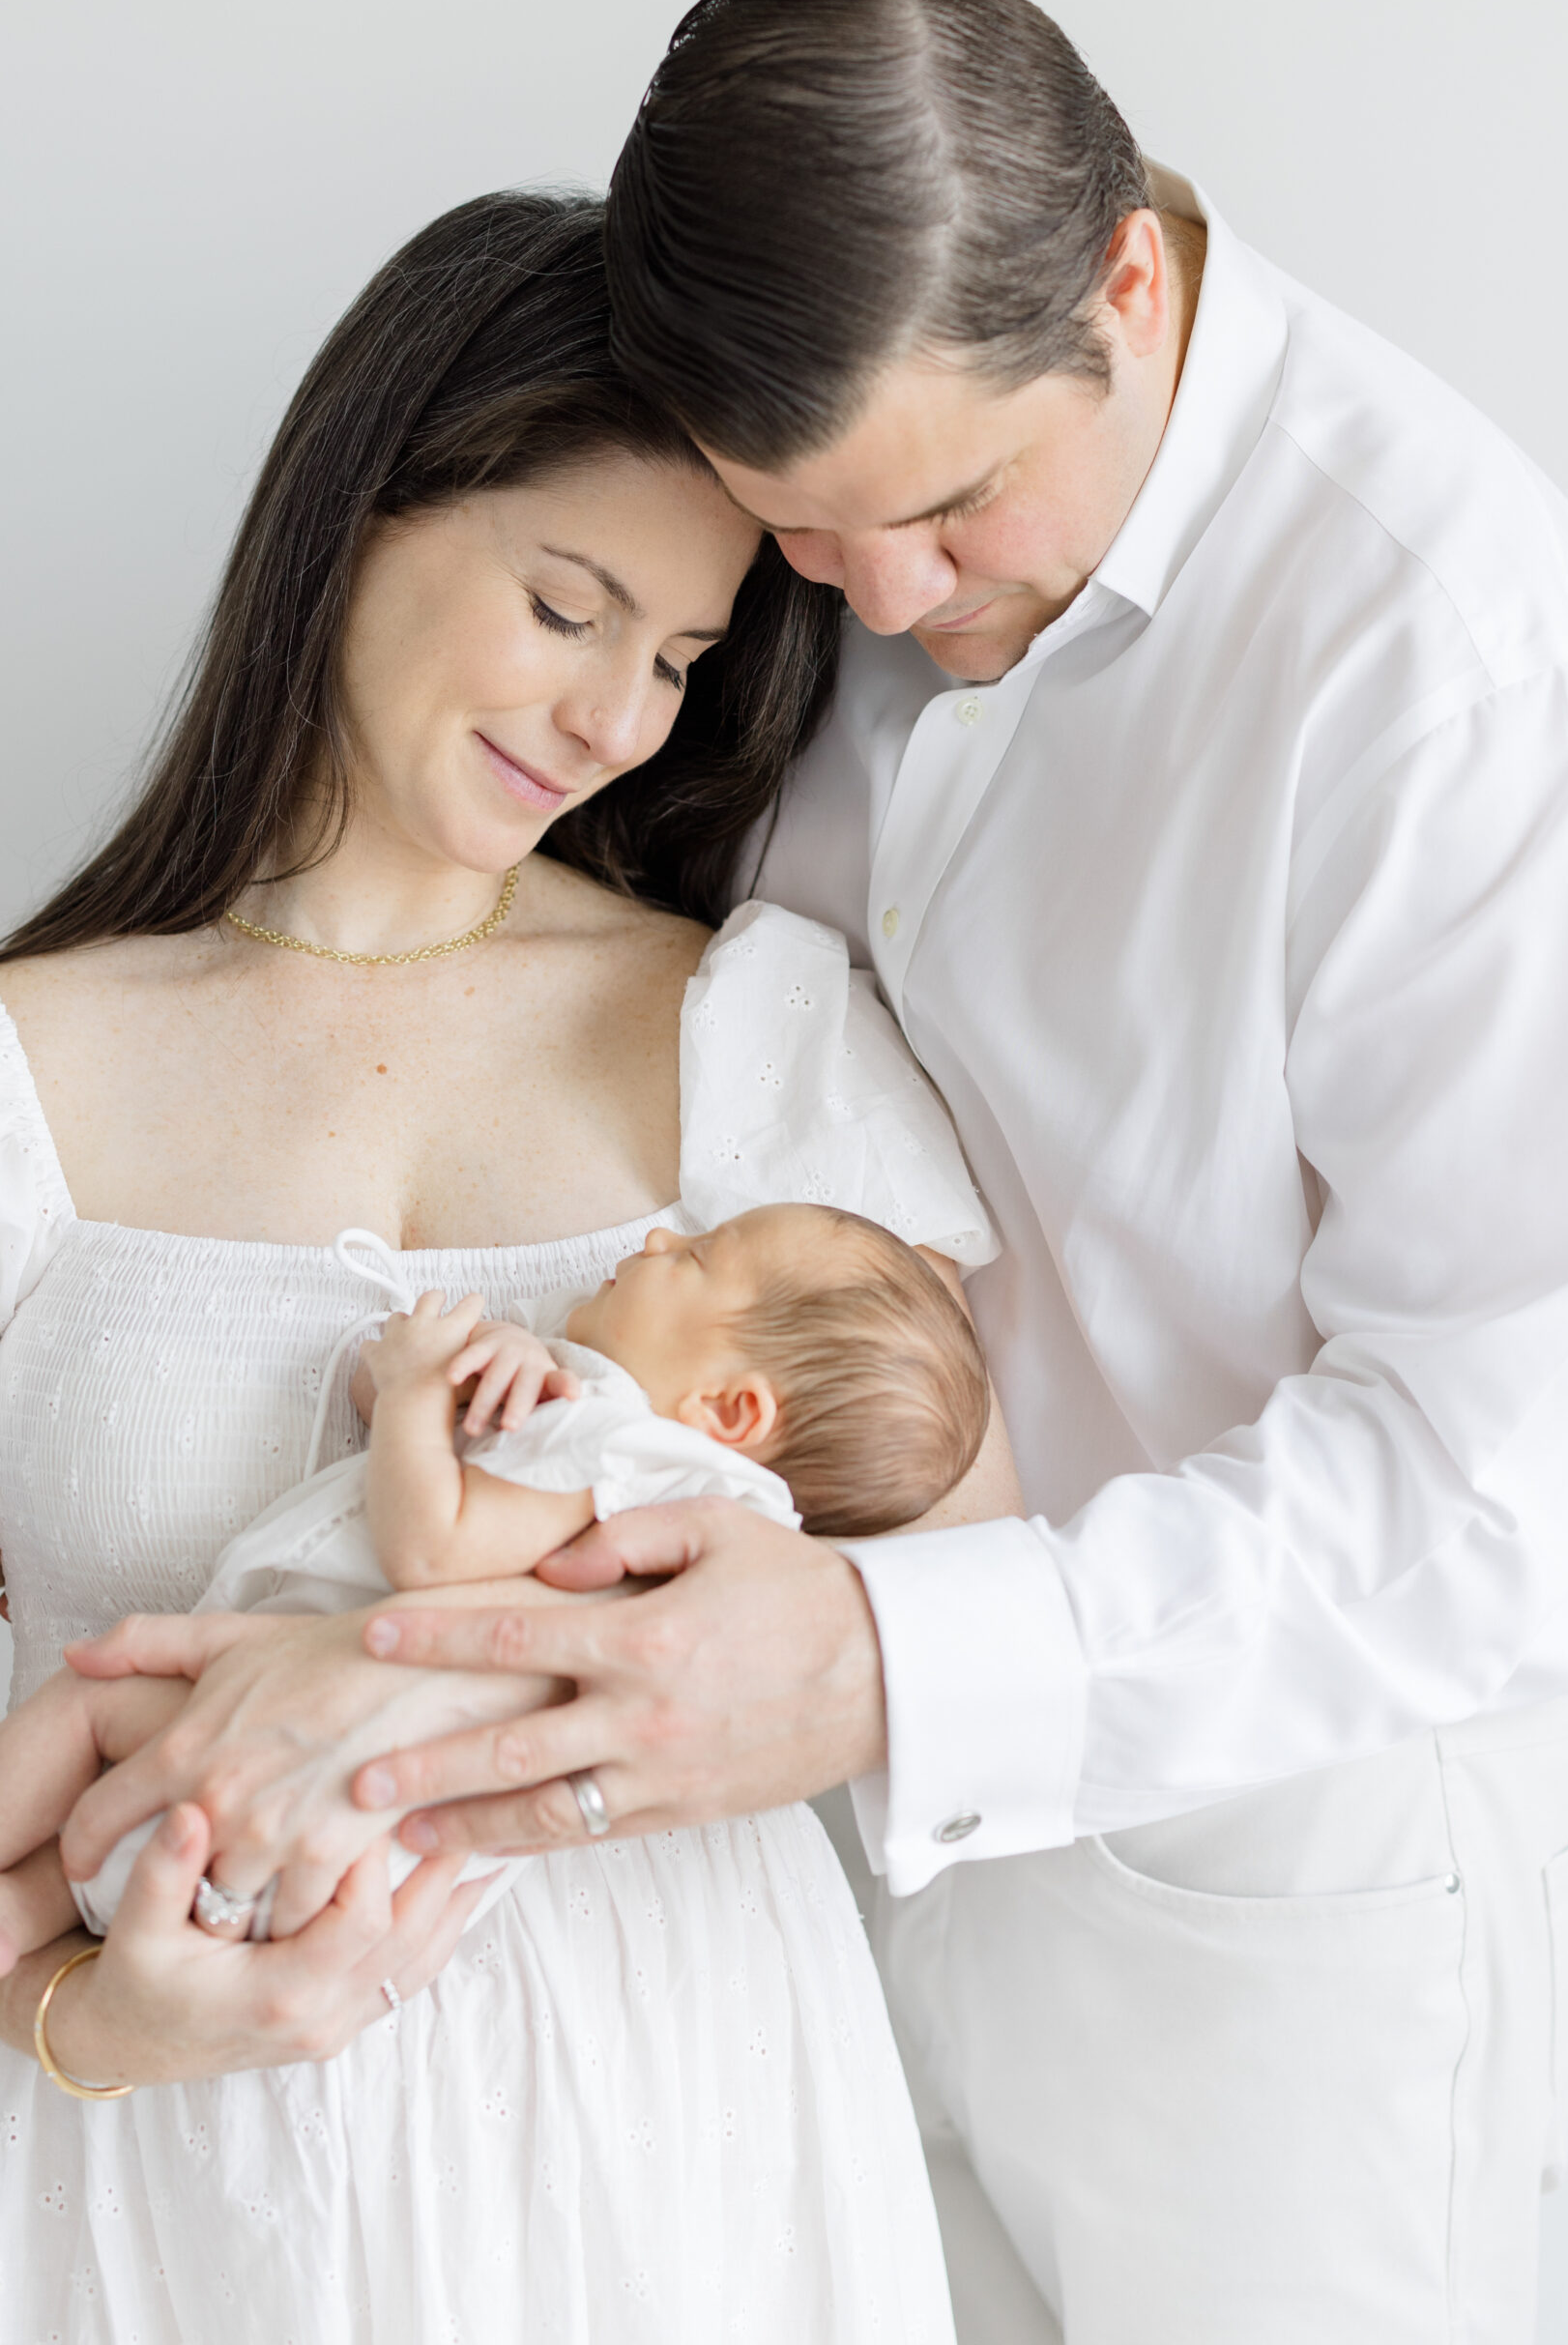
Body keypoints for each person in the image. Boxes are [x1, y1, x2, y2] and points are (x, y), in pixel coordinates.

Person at [61, 0, 1568, 2341]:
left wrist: (893, 1663)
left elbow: (1538, 1470)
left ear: (1129, 275)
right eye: (803, 546)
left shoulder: (1447, 660)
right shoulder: (835, 559)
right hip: (790, 1897)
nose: (889, 605)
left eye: (950, 507)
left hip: (1240, 1863)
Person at [0, 183, 1027, 2340]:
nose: (613, 721)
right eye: (567, 606)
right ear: (361, 508)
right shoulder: (32, 1057)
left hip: (672, 2137)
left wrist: (407, 1661)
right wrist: (86, 2023)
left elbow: (963, 1603)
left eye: (673, 657)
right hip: (153, 2174)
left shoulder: (751, 1025)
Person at [0, 1201, 989, 1967]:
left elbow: (427, 1545)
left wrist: (415, 1386)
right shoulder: (721, 1522)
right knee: (129, 1788)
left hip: (307, 1783)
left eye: (693, 1256)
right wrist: (496, 1371)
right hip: (361, 1859)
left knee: (94, 1702)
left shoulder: (617, 1442)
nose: (655, 1235)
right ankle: (27, 1910)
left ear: (727, 1405)